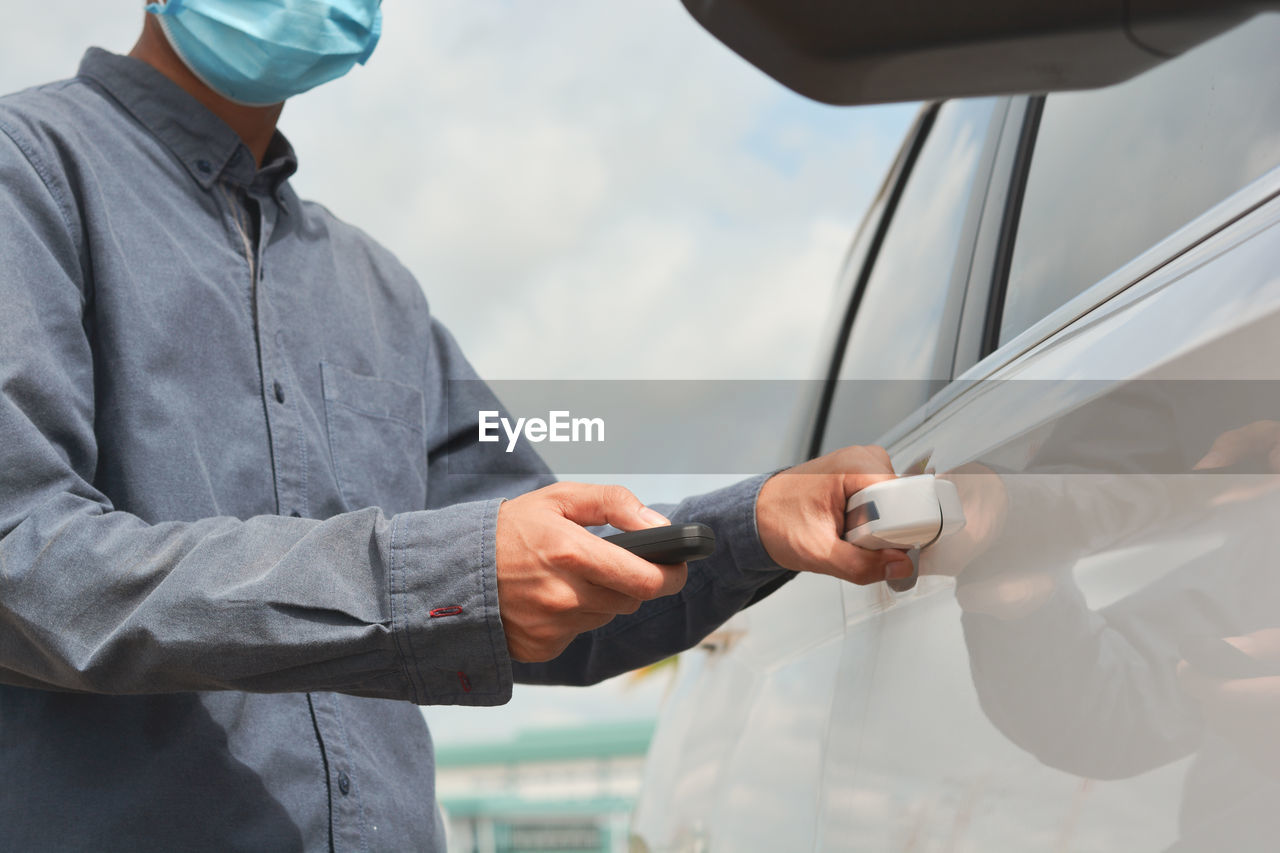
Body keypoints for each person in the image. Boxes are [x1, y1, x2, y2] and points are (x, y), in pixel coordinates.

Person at [0, 2, 910, 849]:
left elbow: (556, 586)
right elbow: (25, 566)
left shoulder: (378, 289)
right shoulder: (28, 173)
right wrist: (437, 577)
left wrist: (756, 524)